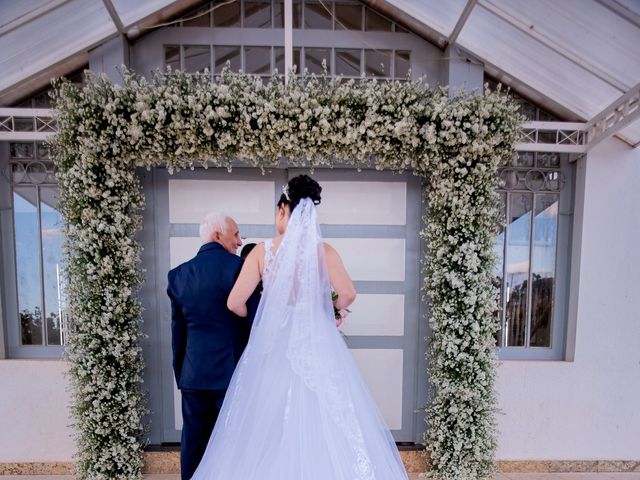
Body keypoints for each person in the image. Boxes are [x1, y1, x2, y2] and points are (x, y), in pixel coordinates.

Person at [190, 175, 409, 480]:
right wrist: (326, 308)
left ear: (283, 209)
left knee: (267, 424)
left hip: (274, 346)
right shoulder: (324, 251)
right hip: (318, 345)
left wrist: (262, 312)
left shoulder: (262, 252)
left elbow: (234, 302)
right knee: (326, 419)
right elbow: (348, 293)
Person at [167, 213, 258, 480]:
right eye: (236, 234)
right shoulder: (240, 269)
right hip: (232, 375)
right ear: (218, 235)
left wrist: (182, 375)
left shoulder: (178, 275)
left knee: (193, 445)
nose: (240, 242)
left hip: (194, 376)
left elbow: (178, 333)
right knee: (236, 444)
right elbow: (254, 322)